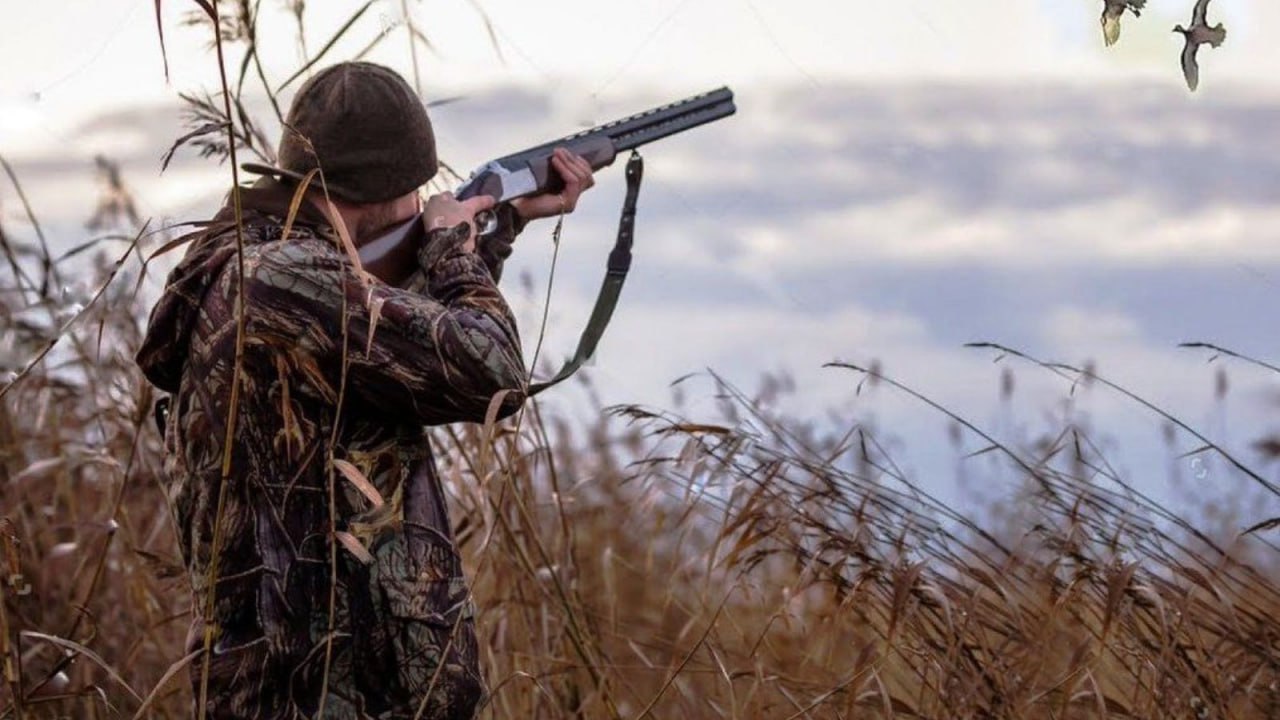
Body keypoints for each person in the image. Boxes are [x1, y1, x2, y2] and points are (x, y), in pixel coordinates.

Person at [136, 61, 595, 719]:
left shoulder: (264, 264)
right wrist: (452, 250)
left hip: (313, 683)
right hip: (324, 690)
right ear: (383, 188)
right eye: (415, 189)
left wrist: (502, 228)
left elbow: (407, 352)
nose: (420, 204)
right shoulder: (285, 280)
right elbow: (492, 373)